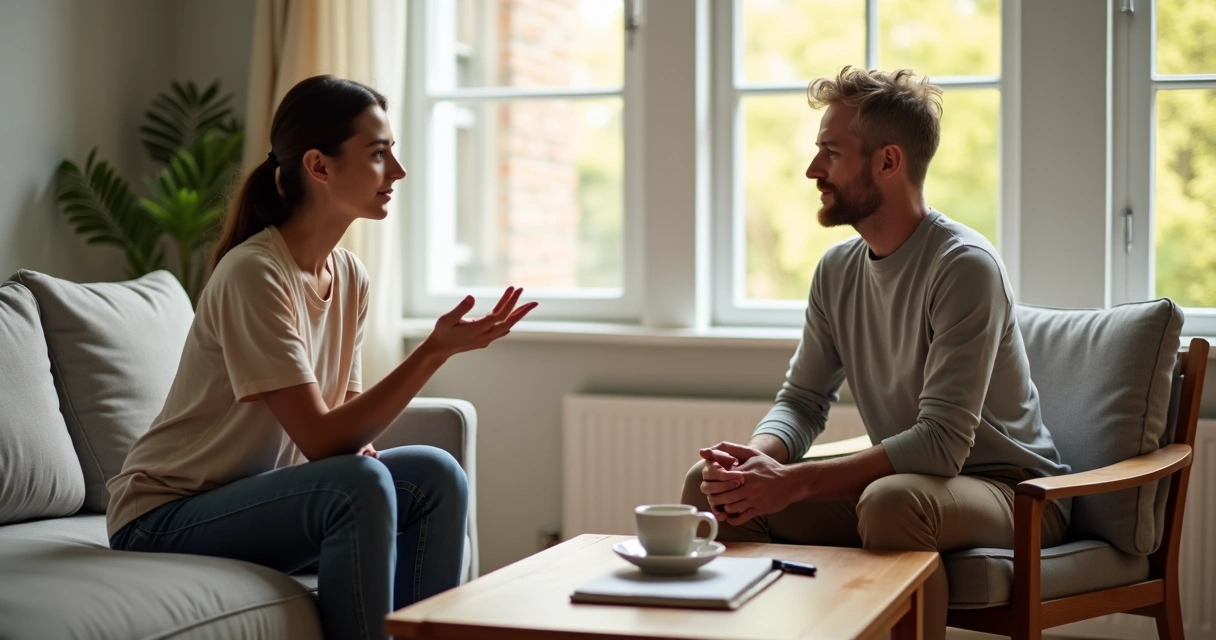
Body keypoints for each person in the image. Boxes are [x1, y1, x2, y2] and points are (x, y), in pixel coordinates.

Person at [105, 75, 537, 640]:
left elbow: (346, 414)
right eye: (379, 154)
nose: (398, 173)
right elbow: (321, 441)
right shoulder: (256, 273)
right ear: (320, 166)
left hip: (255, 501)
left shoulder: (349, 274)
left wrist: (365, 443)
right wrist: (433, 351)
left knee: (436, 473)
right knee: (354, 483)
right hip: (163, 517)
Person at [680, 66, 1070, 640]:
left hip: (1015, 493)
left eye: (830, 154)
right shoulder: (837, 270)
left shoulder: (962, 266)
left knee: (892, 503)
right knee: (707, 485)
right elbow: (803, 399)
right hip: (912, 484)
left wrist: (794, 483)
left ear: (888, 162)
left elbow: (940, 446)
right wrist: (757, 463)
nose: (813, 170)